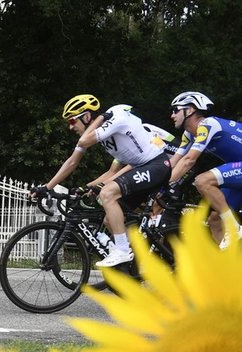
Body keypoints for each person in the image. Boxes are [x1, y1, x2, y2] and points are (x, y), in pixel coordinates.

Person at [33, 94, 172, 268]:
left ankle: (121, 251)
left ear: (86, 116)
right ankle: (136, 260)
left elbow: (83, 141)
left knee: (107, 194)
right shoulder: (101, 130)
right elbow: (72, 161)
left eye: (71, 121)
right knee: (109, 219)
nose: (70, 127)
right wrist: (46, 187)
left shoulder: (114, 119)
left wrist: (100, 118)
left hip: (157, 165)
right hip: (140, 168)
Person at [165, 91, 242, 249]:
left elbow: (189, 160)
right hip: (238, 170)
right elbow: (174, 162)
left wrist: (165, 184)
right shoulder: (189, 134)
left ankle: (234, 227)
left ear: (190, 110)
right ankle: (231, 264)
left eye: (175, 110)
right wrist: (158, 184)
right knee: (215, 219)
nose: (172, 115)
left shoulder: (208, 124)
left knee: (203, 181)